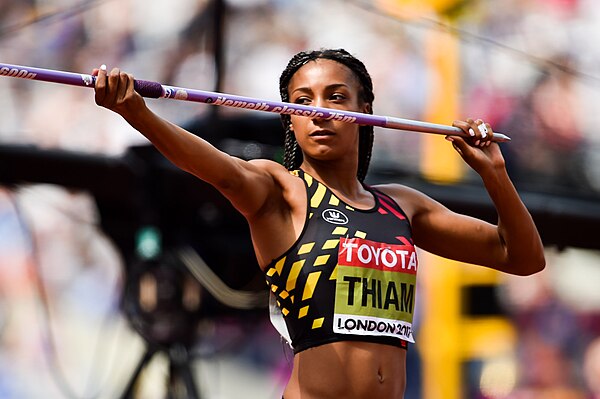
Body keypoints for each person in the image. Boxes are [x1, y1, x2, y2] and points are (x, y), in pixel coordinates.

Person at [92, 48, 545, 399]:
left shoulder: (403, 207)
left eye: (337, 97)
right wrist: (136, 112)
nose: (320, 111)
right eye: (302, 101)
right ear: (289, 117)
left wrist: (495, 174)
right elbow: (215, 167)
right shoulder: (280, 193)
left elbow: (522, 258)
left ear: (365, 108)